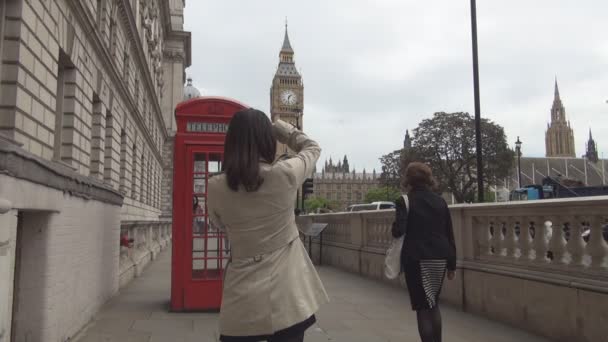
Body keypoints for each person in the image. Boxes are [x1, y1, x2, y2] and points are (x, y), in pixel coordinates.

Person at [207, 108, 329, 342]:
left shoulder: (216, 186)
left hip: (241, 295)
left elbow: (219, 224)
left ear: (231, 141)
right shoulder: (285, 174)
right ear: (267, 140)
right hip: (287, 295)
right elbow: (313, 147)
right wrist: (281, 128)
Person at [391, 162, 456, 342]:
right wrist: (452, 264)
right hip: (440, 258)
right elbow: (449, 233)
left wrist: (395, 225)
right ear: (428, 179)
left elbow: (399, 230)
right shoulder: (440, 201)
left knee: (422, 307)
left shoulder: (404, 201)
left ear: (408, 180)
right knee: (433, 304)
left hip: (417, 259)